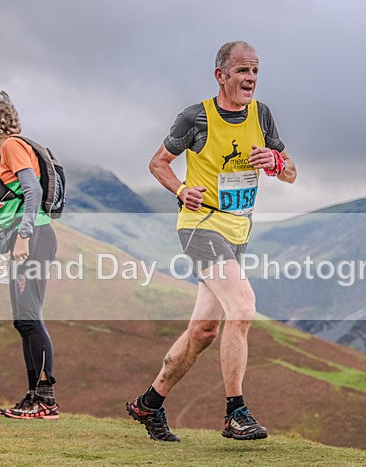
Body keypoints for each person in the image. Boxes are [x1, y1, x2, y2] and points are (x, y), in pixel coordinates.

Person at [127, 41, 297, 441]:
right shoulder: (195, 119)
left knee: (204, 331)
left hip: (238, 233)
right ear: (220, 75)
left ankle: (148, 404)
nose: (250, 78)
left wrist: (275, 163)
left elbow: (291, 172)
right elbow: (158, 163)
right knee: (242, 308)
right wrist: (181, 189)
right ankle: (235, 413)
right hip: (200, 226)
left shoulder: (262, 115)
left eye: (255, 71)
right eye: (241, 70)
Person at [0, 91, 60, 419]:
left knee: (29, 317)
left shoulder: (11, 146)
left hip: (33, 238)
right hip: (30, 238)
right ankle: (34, 396)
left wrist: (23, 238)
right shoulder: (9, 149)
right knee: (23, 320)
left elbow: (33, 191)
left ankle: (46, 401)